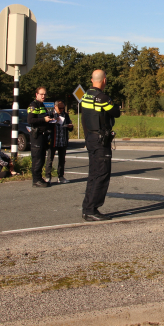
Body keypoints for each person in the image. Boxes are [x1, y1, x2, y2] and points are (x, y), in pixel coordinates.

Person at [80, 69, 121, 221]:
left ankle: (87, 208)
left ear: (92, 80)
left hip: (91, 138)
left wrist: (87, 137)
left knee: (93, 174)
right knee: (102, 174)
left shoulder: (86, 96)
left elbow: (84, 118)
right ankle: (92, 209)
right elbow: (116, 112)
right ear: (104, 80)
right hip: (100, 140)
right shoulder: (102, 98)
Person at [27, 87, 53, 187]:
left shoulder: (42, 105)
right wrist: (44, 120)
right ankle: (36, 180)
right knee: (37, 158)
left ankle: (39, 178)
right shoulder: (33, 105)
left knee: (41, 158)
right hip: (36, 135)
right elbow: (30, 120)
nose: (43, 96)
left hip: (43, 135)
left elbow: (43, 117)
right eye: (41, 94)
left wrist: (50, 119)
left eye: (45, 94)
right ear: (36, 94)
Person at [45, 100, 73, 185]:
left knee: (62, 160)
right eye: (60, 108)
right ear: (55, 107)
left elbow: (70, 127)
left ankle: (60, 176)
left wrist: (70, 126)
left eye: (63, 108)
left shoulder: (65, 115)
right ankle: (48, 177)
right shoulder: (51, 114)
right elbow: (46, 126)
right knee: (50, 159)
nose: (61, 110)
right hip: (54, 140)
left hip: (62, 140)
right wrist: (53, 121)